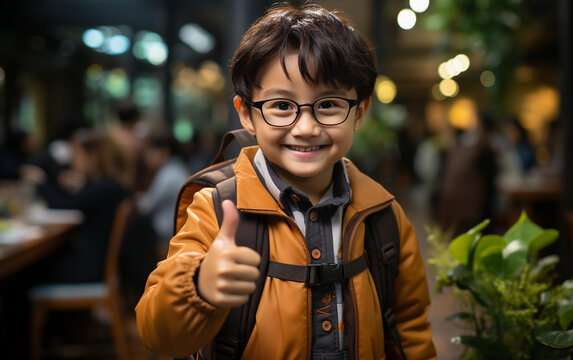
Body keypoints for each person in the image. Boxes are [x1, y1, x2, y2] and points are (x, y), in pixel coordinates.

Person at [135, 3, 436, 359]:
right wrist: (199, 287)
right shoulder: (214, 210)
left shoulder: (384, 216)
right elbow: (158, 336)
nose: (306, 128)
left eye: (328, 105)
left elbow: (410, 331)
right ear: (247, 114)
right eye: (281, 106)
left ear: (360, 112)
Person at [21, 128, 130, 283]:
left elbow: (63, 205)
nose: (73, 161)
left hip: (88, 268)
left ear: (94, 157)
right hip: (93, 263)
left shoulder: (104, 187)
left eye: (77, 155)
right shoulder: (111, 184)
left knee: (25, 273)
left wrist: (41, 182)